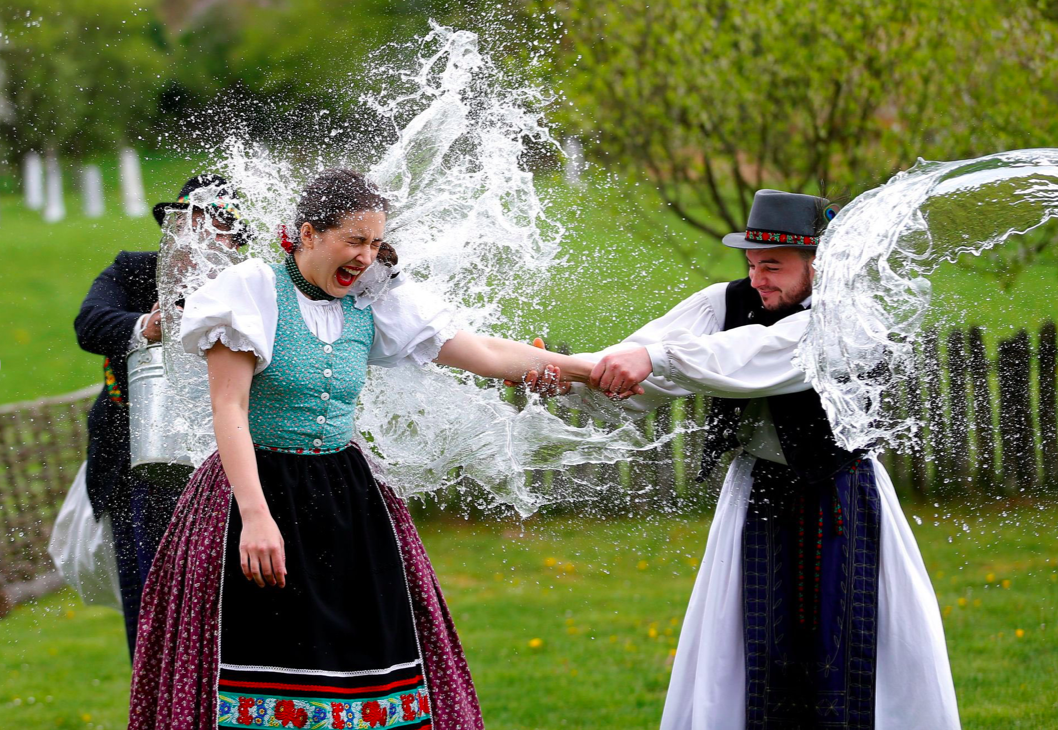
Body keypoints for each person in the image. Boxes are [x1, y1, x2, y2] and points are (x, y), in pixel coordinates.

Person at [128, 169, 596, 729]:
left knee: (370, 664)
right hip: (253, 493)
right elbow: (229, 409)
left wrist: (584, 371)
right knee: (263, 658)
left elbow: (485, 352)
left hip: (349, 501)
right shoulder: (250, 289)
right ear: (307, 234)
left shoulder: (373, 301)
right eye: (354, 241)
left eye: (375, 243)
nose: (367, 257)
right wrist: (256, 516)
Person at [529, 190, 959, 730]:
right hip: (756, 495)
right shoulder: (723, 302)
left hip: (842, 499)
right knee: (743, 649)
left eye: (773, 266)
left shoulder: (849, 315)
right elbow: (645, 366)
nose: (758, 279)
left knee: (848, 647)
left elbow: (755, 356)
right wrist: (564, 375)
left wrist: (655, 358)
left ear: (817, 262)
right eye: (753, 264)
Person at [73, 174, 247, 655]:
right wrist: (148, 325)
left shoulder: (247, 288)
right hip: (137, 468)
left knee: (225, 609)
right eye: (192, 221)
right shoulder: (134, 271)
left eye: (219, 227)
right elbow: (89, 325)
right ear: (174, 227)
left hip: (226, 468)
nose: (204, 235)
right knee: (151, 604)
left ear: (236, 241)